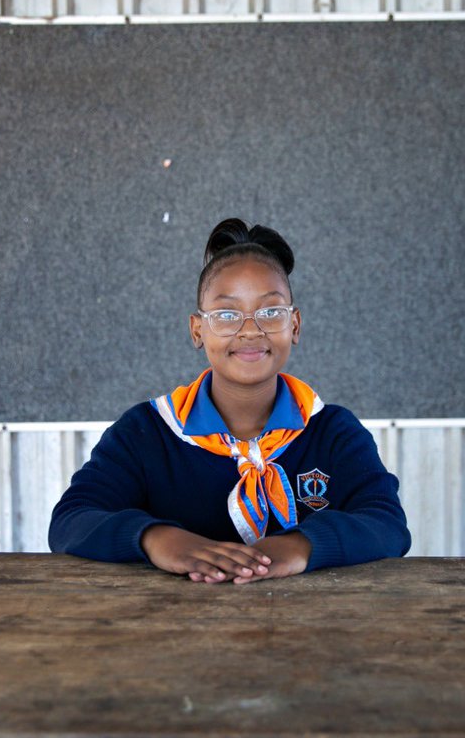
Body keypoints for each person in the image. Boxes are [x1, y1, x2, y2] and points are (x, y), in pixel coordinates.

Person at [48, 218, 409, 584]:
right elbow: (71, 519)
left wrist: (302, 546)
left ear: (295, 325)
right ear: (197, 330)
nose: (250, 329)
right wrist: (157, 539)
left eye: (270, 312)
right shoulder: (145, 432)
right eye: (226, 315)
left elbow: (387, 523)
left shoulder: (332, 431)